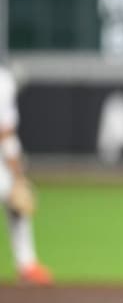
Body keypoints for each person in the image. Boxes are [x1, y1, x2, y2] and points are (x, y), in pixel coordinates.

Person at [0, 65, 52, 285]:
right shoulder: (3, 82)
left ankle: (27, 265)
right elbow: (6, 134)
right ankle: (27, 265)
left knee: (16, 203)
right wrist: (18, 176)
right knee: (17, 198)